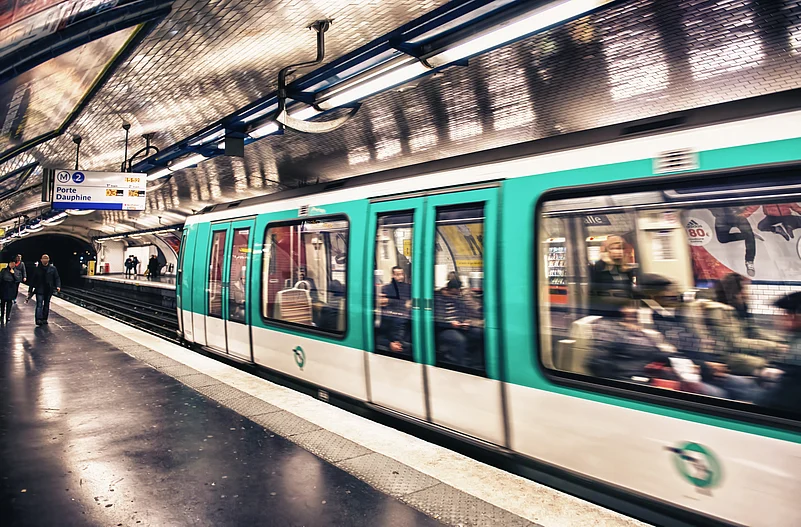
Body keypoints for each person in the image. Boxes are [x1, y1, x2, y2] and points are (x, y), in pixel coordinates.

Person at [759, 292, 801, 414]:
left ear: (793, 317)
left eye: (784, 313)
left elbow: (780, 399)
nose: (781, 317)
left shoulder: (797, 352)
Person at [434, 277, 483, 368]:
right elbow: (437, 319)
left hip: (458, 326)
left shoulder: (456, 298)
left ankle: (476, 363)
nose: (459, 292)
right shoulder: (438, 298)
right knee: (459, 340)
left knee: (479, 333)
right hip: (444, 328)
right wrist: (450, 324)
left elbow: (463, 312)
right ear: (450, 289)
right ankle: (461, 365)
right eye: (457, 290)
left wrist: (465, 321)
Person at [709, 207, 763, 277]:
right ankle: (749, 235)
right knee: (722, 239)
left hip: (737, 215)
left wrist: (745, 212)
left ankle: (749, 261)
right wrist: (715, 212)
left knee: (749, 236)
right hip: (722, 218)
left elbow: (752, 203)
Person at [589, 235, 635, 314]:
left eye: (621, 248)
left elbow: (629, 291)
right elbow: (593, 294)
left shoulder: (626, 269)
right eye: (614, 248)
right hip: (605, 312)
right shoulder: (599, 268)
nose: (619, 251)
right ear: (607, 250)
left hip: (625, 312)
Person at [377, 266, 412, 355]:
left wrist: (390, 301)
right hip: (391, 317)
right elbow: (382, 302)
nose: (400, 277)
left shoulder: (409, 288)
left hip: (404, 318)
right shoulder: (386, 288)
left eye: (402, 274)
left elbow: (407, 302)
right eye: (397, 274)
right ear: (393, 275)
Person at [31, 254, 61, 326]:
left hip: (48, 289)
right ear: (41, 260)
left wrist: (58, 286)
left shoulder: (53, 268)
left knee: (46, 304)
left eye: (46, 258)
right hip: (39, 289)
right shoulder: (37, 269)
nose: (45, 260)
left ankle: (44, 318)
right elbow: (33, 280)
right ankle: (38, 319)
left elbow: (57, 277)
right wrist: (30, 290)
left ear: (48, 260)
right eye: (43, 258)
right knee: (39, 304)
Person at [0, 256, 17, 323]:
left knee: (9, 303)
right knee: (2, 302)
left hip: (11, 289)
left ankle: (8, 316)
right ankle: (2, 314)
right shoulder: (3, 270)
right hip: (3, 288)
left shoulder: (16, 271)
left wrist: (13, 274)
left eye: (13, 264)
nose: (12, 265)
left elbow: (18, 279)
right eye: (11, 263)